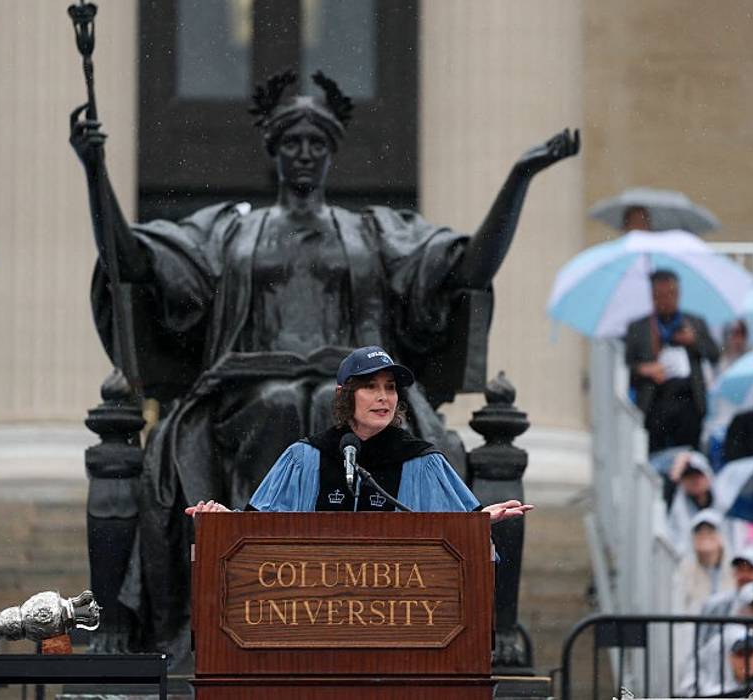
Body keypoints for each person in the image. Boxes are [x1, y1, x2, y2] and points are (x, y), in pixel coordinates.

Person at [72, 71, 578, 649]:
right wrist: (95, 173)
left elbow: (465, 272)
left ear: (334, 152)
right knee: (287, 403)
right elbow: (133, 263)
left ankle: (363, 588)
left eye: (317, 144)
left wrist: (519, 179)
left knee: (325, 407)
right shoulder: (232, 233)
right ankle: (258, 591)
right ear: (274, 151)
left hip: (349, 386)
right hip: (250, 391)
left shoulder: (373, 232)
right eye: (293, 143)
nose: (306, 154)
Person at [186, 346, 533, 520]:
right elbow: (259, 531)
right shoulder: (306, 458)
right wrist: (226, 521)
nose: (384, 397)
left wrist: (482, 521)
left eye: (390, 387)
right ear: (344, 395)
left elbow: (457, 534)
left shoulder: (422, 462)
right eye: (370, 386)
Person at [625, 269, 720, 454]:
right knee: (655, 455)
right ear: (653, 296)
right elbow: (626, 367)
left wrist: (694, 342)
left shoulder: (694, 322)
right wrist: (644, 370)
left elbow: (715, 354)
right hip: (656, 401)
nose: (668, 300)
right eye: (662, 295)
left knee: (687, 456)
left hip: (689, 402)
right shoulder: (640, 327)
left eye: (672, 294)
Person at [675, 509, 734, 615]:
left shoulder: (733, 569)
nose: (705, 536)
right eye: (699, 532)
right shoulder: (685, 570)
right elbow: (678, 607)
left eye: (710, 531)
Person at [665, 451, 717, 552]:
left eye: (698, 475)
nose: (694, 480)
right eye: (688, 476)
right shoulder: (675, 503)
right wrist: (677, 468)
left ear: (708, 477)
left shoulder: (722, 503)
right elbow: (668, 489)